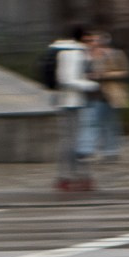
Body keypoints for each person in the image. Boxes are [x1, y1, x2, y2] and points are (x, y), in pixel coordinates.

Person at [49, 26, 100, 192]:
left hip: (71, 102)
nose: (92, 43)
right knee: (73, 143)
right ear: (82, 38)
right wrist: (91, 85)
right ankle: (70, 178)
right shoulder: (73, 53)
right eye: (89, 40)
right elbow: (67, 79)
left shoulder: (70, 51)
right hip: (71, 103)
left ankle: (74, 177)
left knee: (74, 142)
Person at [91, 31, 129, 161]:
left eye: (97, 40)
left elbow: (125, 71)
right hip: (97, 94)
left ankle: (112, 150)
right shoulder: (92, 56)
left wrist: (106, 75)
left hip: (113, 93)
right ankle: (103, 150)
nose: (96, 43)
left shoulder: (117, 54)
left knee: (112, 123)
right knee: (98, 123)